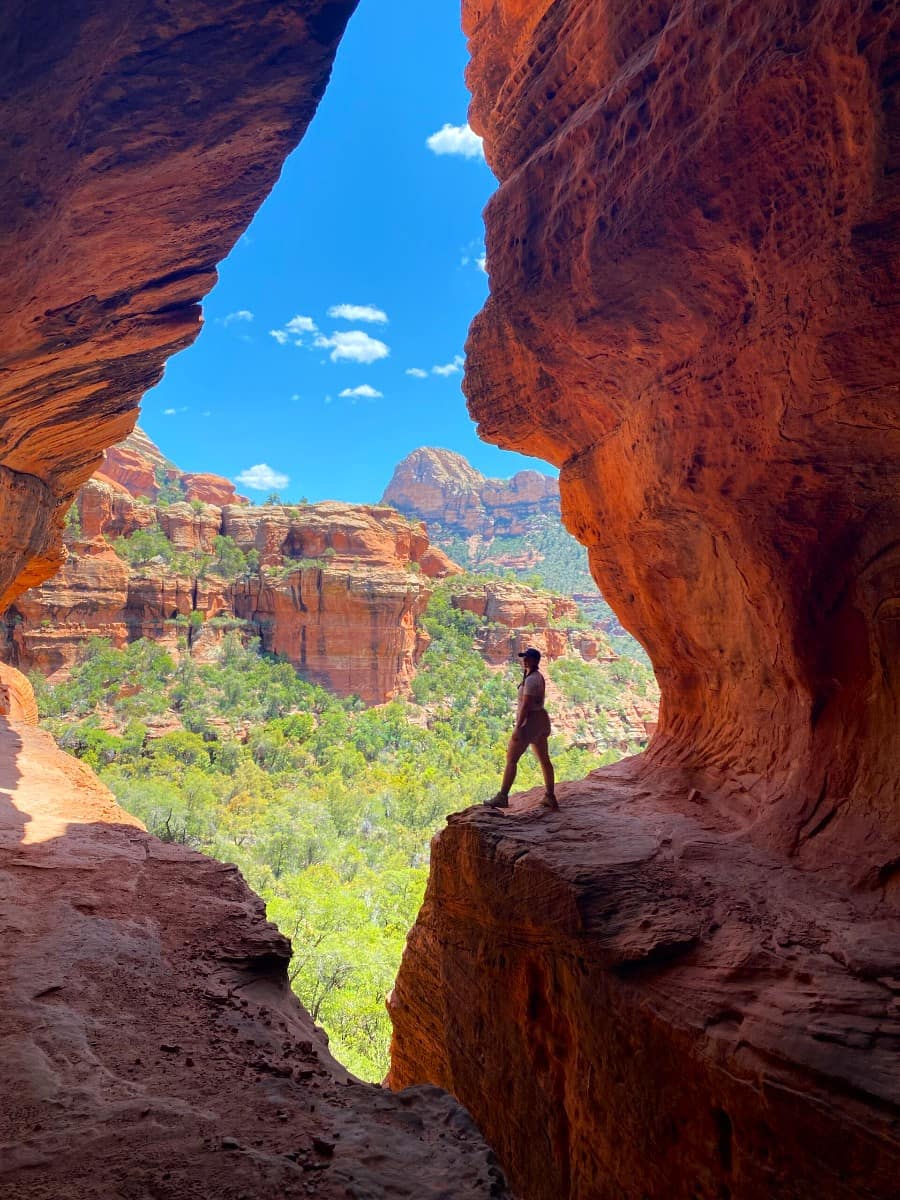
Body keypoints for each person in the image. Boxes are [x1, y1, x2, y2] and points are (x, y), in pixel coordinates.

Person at [485, 647, 558, 810]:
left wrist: (518, 727)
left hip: (529, 722)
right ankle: (550, 796)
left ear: (535, 660)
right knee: (544, 759)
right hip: (539, 720)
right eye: (524, 657)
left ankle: (502, 796)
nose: (524, 660)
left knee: (511, 759)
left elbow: (526, 705)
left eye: (528, 658)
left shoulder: (532, 679)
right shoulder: (536, 676)